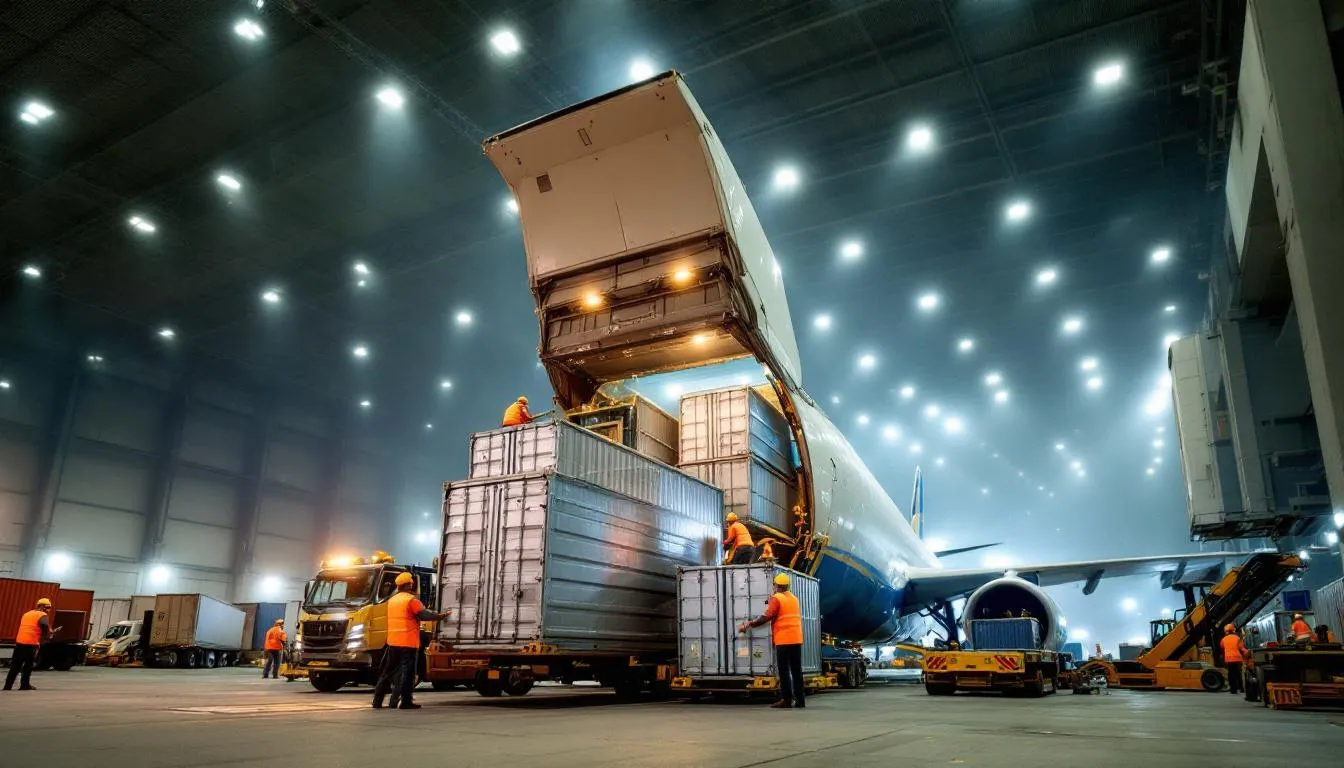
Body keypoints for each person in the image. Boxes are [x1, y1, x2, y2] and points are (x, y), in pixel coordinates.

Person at [373, 572, 450, 710]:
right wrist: (440, 616)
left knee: (387, 672)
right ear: (408, 585)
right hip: (408, 643)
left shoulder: (392, 600)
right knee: (407, 673)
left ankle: (377, 701)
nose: (412, 585)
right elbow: (424, 615)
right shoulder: (411, 600)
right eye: (410, 583)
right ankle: (406, 701)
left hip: (393, 642)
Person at [738, 573, 805, 709]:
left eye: (774, 584)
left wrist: (749, 624)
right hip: (796, 639)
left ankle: (786, 700)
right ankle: (800, 701)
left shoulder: (777, 598)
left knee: (784, 670)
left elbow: (767, 616)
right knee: (797, 671)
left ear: (777, 585)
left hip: (784, 640)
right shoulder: (794, 599)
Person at [4, 597, 52, 691]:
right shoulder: (43, 615)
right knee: (28, 666)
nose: (48, 610)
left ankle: (7, 686)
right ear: (42, 606)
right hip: (31, 644)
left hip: (19, 643)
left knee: (15, 666)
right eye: (48, 607)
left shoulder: (26, 614)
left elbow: (31, 627)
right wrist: (47, 636)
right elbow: (44, 625)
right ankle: (24, 685)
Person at [1220, 623, 1248, 695]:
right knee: (1238, 673)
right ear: (1233, 630)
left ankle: (1233, 690)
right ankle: (1241, 688)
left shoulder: (1224, 639)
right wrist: (1247, 654)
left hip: (1229, 659)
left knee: (1231, 674)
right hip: (1238, 658)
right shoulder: (1237, 638)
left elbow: (1222, 647)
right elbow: (1242, 648)